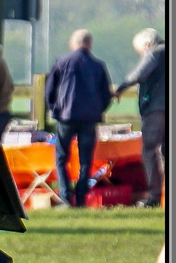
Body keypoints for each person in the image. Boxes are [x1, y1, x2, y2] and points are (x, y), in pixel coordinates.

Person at [45, 29, 114, 207]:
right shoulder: (98, 66)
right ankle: (82, 198)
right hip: (90, 118)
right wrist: (98, 109)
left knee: (61, 158)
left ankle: (66, 197)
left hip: (66, 117)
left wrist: (56, 109)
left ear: (73, 43)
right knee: (86, 160)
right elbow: (106, 95)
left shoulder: (62, 62)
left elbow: (50, 91)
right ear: (90, 44)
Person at [115, 28, 166, 207]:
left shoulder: (154, 53)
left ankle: (154, 198)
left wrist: (120, 88)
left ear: (146, 45)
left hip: (157, 110)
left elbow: (139, 74)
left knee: (151, 151)